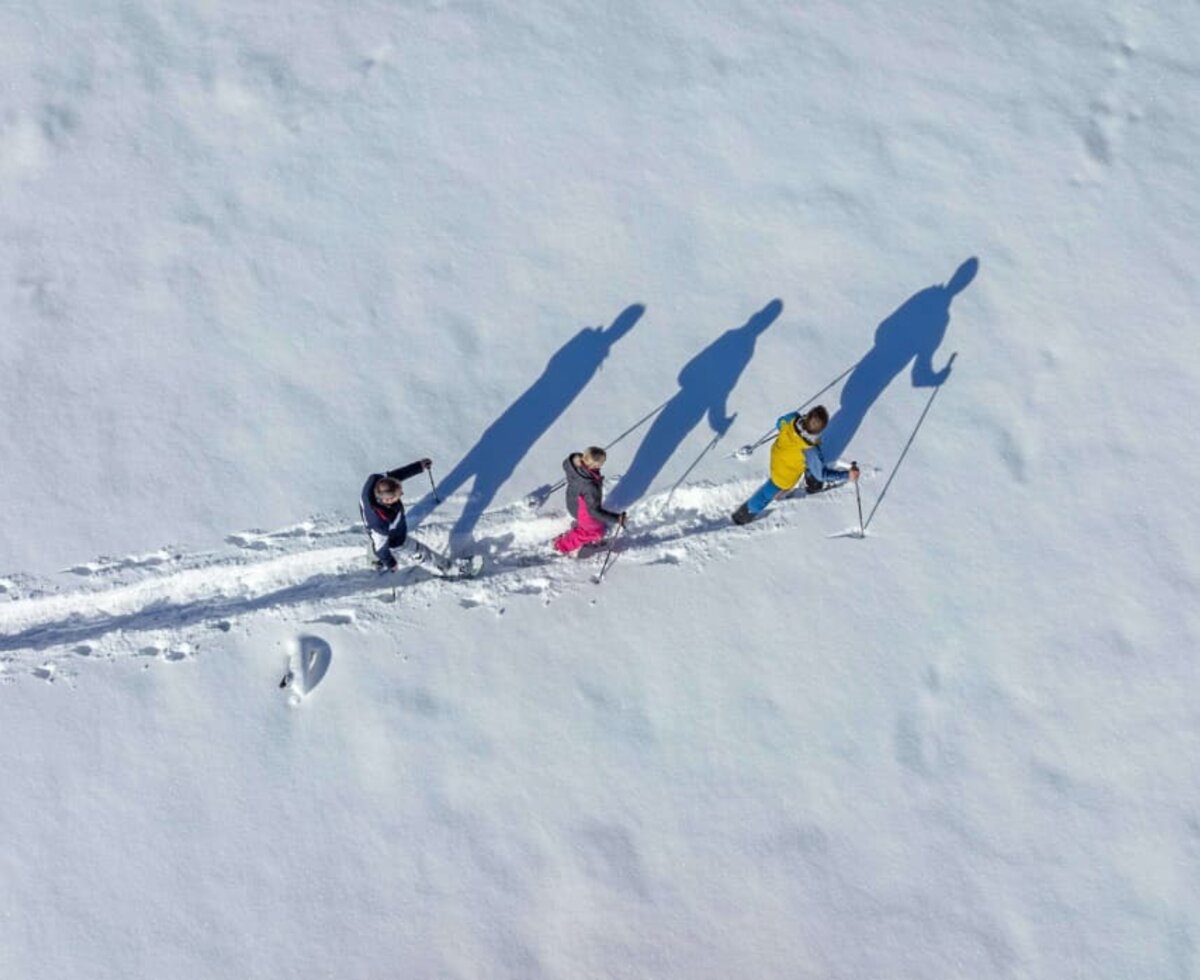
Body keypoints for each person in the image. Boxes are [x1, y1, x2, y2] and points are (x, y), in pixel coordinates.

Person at [731, 405, 859, 525]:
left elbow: (779, 423)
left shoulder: (793, 418)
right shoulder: (810, 451)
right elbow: (821, 474)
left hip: (778, 457)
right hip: (786, 476)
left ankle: (743, 514)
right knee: (773, 489)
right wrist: (847, 475)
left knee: (771, 486)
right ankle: (811, 487)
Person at [360, 459, 453, 573]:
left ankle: (375, 561)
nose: (402, 494)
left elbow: (395, 476)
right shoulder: (382, 524)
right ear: (388, 500)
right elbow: (380, 547)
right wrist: (391, 563)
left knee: (374, 538)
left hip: (372, 526)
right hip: (396, 538)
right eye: (399, 495)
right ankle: (446, 568)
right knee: (419, 552)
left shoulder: (374, 481)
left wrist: (418, 466)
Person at [553, 447, 626, 555]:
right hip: (584, 512)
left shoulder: (575, 467)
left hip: (573, 502)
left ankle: (580, 527)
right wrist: (617, 518)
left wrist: (574, 458)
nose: (603, 464)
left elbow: (566, 464)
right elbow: (594, 511)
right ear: (595, 465)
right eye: (602, 462)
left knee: (594, 526)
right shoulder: (591, 486)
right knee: (592, 531)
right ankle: (561, 546)